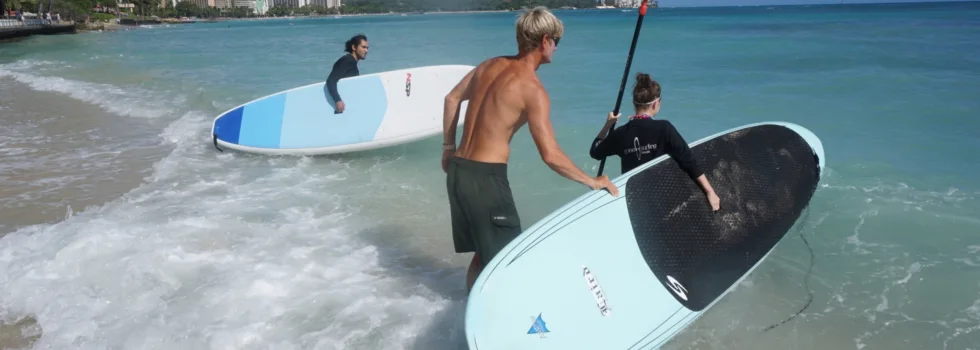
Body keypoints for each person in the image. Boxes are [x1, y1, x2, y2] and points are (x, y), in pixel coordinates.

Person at [441, 6, 619, 294]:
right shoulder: (533, 90)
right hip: (486, 181)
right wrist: (592, 181)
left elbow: (451, 99)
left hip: (458, 172)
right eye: (557, 42)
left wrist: (448, 149)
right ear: (545, 40)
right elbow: (550, 154)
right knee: (508, 260)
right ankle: (501, 317)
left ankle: (469, 309)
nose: (557, 48)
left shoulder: (488, 65)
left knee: (484, 256)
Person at [589, 72, 721, 212]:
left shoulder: (620, 133)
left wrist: (608, 124)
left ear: (634, 103)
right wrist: (710, 192)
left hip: (634, 199)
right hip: (660, 195)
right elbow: (688, 160)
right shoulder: (664, 128)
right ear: (655, 104)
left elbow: (595, 152)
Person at [326, 34, 368, 114]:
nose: (366, 51)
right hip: (340, 107)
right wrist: (337, 100)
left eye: (367, 48)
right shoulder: (347, 61)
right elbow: (331, 80)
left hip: (346, 108)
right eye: (363, 47)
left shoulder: (352, 63)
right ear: (354, 47)